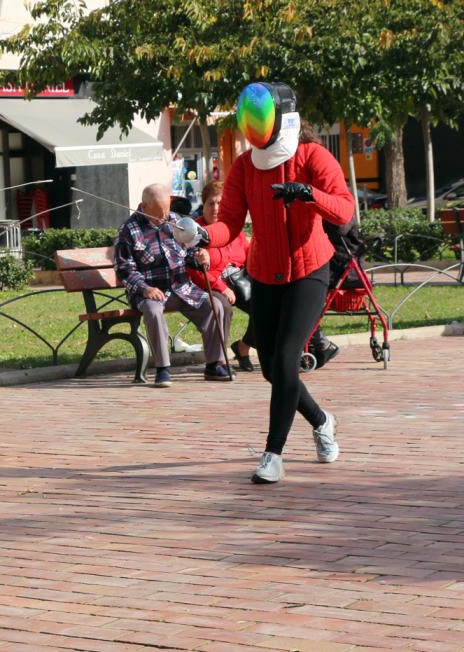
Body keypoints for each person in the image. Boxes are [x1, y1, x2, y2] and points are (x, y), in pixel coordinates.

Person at [176, 82, 354, 483]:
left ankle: (273, 454)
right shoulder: (243, 166)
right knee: (273, 368)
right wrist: (201, 234)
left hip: (310, 271)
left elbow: (344, 211)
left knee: (287, 358)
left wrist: (309, 194)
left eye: (261, 119)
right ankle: (323, 420)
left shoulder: (313, 156)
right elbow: (231, 224)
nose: (254, 128)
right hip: (265, 273)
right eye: (249, 121)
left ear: (283, 117)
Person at [114, 183, 231, 388]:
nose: (164, 218)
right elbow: (124, 269)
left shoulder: (176, 221)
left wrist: (199, 257)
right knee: (152, 309)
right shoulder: (129, 230)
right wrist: (145, 289)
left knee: (215, 305)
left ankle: (214, 364)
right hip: (149, 291)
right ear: (144, 206)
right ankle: (163, 369)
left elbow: (188, 254)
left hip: (180, 287)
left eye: (167, 211)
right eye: (159, 214)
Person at [188, 180, 257, 372]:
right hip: (210, 285)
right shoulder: (196, 232)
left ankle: (243, 347)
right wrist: (222, 287)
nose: (216, 208)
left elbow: (249, 256)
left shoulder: (233, 229)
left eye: (220, 203)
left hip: (240, 281)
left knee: (266, 304)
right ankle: (220, 360)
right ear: (204, 205)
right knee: (222, 306)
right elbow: (194, 272)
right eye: (211, 203)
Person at [305, 213, 368, 369]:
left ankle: (319, 343)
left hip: (339, 270)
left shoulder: (340, 209)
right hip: (338, 267)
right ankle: (318, 343)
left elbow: (339, 228)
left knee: (306, 302)